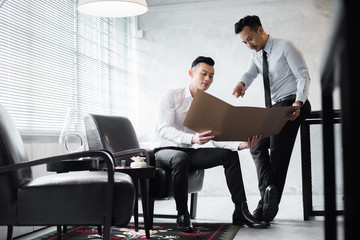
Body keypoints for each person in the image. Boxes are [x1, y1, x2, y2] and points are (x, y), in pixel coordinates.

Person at [154, 56, 270, 231]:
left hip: (187, 153)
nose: (207, 79)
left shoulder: (206, 104)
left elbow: (216, 138)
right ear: (191, 73)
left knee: (229, 156)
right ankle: (182, 215)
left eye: (211, 76)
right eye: (204, 74)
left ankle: (241, 210)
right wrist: (192, 139)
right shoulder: (172, 95)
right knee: (180, 158)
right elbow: (163, 129)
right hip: (164, 150)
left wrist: (241, 145)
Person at [232, 15, 311, 222]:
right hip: (275, 109)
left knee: (278, 153)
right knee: (256, 144)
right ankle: (268, 189)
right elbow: (251, 73)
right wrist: (242, 83)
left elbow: (303, 75)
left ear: (260, 29)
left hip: (292, 104)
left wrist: (298, 104)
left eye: (250, 39)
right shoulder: (257, 55)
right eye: (244, 42)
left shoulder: (285, 46)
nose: (248, 45)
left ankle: (266, 209)